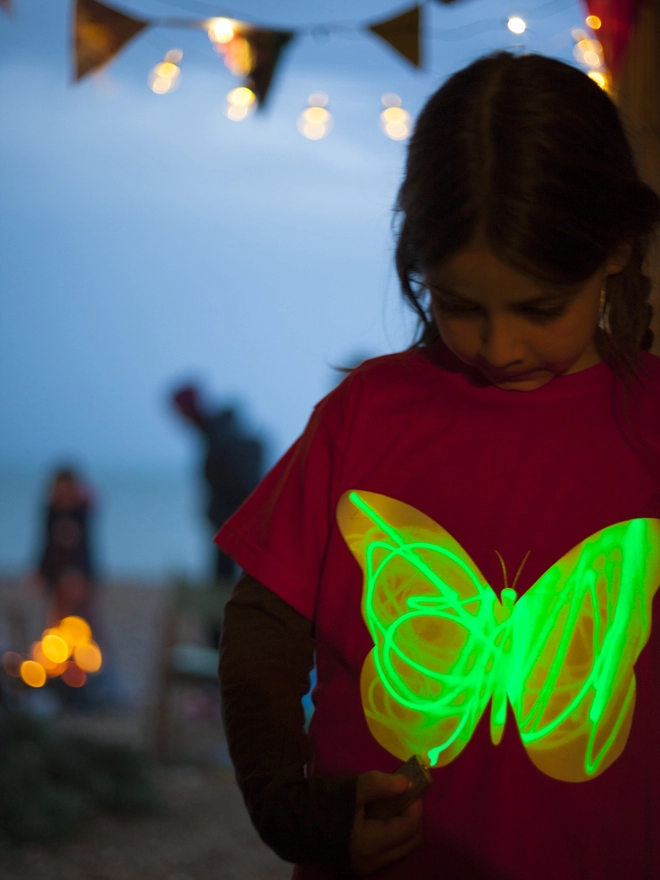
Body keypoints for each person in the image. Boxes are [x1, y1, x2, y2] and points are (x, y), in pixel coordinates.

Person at [216, 52, 660, 880]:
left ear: (618, 248)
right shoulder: (369, 415)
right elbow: (262, 628)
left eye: (538, 309)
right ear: (418, 267)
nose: (498, 346)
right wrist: (286, 806)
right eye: (460, 306)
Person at [171, 385, 263, 583]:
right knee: (228, 586)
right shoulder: (214, 432)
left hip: (233, 523)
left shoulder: (219, 436)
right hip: (231, 523)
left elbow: (241, 482)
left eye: (179, 411)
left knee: (224, 587)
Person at [34, 467, 97, 626]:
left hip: (78, 570)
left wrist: (84, 576)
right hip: (55, 569)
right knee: (56, 611)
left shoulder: (81, 511)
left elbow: (85, 547)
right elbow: (46, 544)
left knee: (83, 611)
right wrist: (40, 570)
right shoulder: (51, 512)